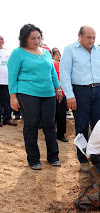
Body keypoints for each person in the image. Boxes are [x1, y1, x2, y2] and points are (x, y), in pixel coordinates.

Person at [8, 24, 62, 170]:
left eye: (38, 37)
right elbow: (12, 76)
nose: (36, 40)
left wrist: (57, 88)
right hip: (28, 93)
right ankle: (33, 159)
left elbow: (52, 72)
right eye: (33, 38)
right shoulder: (17, 53)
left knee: (50, 124)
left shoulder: (45, 53)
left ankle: (53, 156)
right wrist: (13, 97)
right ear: (25, 38)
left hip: (48, 93)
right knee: (31, 125)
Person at [60, 26, 100, 172]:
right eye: (88, 37)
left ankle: (98, 157)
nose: (91, 40)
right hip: (80, 91)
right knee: (81, 127)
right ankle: (83, 160)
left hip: (97, 90)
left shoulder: (98, 50)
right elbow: (65, 73)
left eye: (94, 37)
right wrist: (70, 95)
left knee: (99, 126)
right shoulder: (70, 50)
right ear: (79, 35)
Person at [0, 34, 17, 127]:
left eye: (1, 39)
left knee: (7, 100)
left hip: (6, 81)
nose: (0, 41)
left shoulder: (8, 52)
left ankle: (7, 118)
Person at [52, 49, 68, 142]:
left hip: (62, 92)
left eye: (59, 54)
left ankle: (60, 134)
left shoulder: (62, 65)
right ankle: (55, 134)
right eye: (56, 54)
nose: (58, 56)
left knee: (61, 115)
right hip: (53, 93)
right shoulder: (52, 64)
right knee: (53, 116)